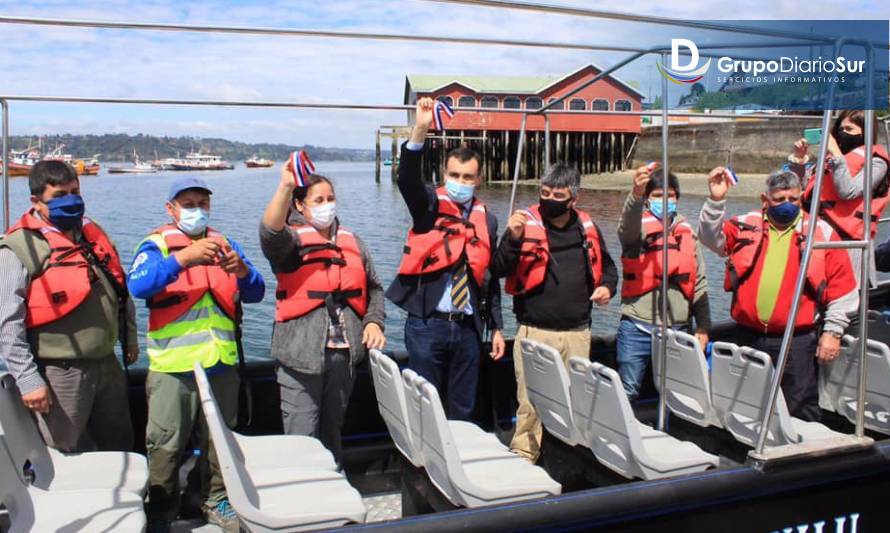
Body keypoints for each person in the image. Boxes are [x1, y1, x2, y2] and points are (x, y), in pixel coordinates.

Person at [128, 176, 265, 532]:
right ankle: (162, 508)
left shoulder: (225, 243)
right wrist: (183, 259)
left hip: (220, 363)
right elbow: (138, 284)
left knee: (221, 442)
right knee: (164, 444)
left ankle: (217, 499)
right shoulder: (155, 244)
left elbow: (257, 292)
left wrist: (244, 272)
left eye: (203, 204)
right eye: (188, 205)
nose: (197, 211)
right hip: (173, 367)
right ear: (171, 209)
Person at [699, 168, 858, 421]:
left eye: (793, 199)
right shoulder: (745, 224)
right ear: (765, 200)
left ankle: (801, 456)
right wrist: (716, 201)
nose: (787, 205)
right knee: (746, 403)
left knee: (799, 404)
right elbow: (711, 239)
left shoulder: (822, 233)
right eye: (779, 199)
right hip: (748, 335)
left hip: (797, 340)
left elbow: (844, 290)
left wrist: (833, 332)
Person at [0, 160, 137, 453]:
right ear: (36, 201)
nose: (71, 201)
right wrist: (28, 380)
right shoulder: (19, 247)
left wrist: (130, 338)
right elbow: (7, 322)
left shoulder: (92, 234)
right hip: (60, 371)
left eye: (75, 191)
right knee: (63, 449)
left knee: (119, 444)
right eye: (60, 195)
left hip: (106, 363)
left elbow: (120, 290)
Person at [386, 97, 505, 422]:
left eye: (468, 177)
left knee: (463, 408)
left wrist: (495, 326)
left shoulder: (488, 220)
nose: (461, 183)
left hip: (468, 327)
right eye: (455, 175)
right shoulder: (428, 205)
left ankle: (459, 466)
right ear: (444, 174)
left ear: (479, 179)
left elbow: (490, 277)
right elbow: (407, 178)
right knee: (425, 407)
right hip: (427, 325)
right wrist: (421, 127)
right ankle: (423, 468)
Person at [259, 164, 385, 468]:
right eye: (318, 200)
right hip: (300, 357)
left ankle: (335, 487)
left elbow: (375, 289)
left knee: (333, 429)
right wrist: (286, 187)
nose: (327, 205)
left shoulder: (354, 241)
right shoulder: (292, 241)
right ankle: (303, 499)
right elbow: (270, 235)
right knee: (301, 435)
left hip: (344, 356)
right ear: (300, 205)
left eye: (330, 198)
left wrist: (374, 321)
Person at [492, 163, 617, 463]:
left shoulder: (587, 227)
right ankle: (524, 455)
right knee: (530, 402)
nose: (548, 199)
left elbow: (609, 270)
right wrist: (513, 237)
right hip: (534, 332)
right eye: (544, 193)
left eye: (557, 195)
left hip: (577, 333)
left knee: (576, 399)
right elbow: (498, 268)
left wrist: (608, 289)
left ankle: (570, 455)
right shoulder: (524, 224)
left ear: (573, 199)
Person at [615, 165, 711, 400]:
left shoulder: (688, 233)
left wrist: (703, 327)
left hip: (677, 329)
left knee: (678, 394)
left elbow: (699, 282)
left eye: (669, 195)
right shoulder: (636, 230)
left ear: (677, 197)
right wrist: (635, 194)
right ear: (648, 199)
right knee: (627, 390)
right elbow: (627, 226)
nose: (664, 200)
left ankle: (670, 432)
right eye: (657, 195)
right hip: (637, 326)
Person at [790, 110, 890, 284]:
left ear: (865, 133)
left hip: (848, 245)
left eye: (849, 129)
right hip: (815, 238)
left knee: (845, 300)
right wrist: (799, 160)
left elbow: (848, 191)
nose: (843, 133)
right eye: (840, 128)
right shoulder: (831, 160)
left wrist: (836, 153)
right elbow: (800, 191)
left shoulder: (876, 162)